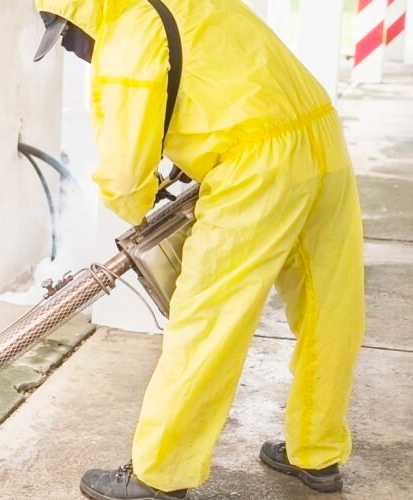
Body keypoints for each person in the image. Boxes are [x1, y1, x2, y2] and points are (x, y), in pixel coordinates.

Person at [32, 1, 365, 499]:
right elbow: (220, 81)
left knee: (208, 319)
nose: (72, 48)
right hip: (319, 135)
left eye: (66, 36)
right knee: (330, 306)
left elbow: (125, 179)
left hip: (256, 171)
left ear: (80, 18)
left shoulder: (126, 37)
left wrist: (138, 204)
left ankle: (160, 475)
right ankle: (317, 452)